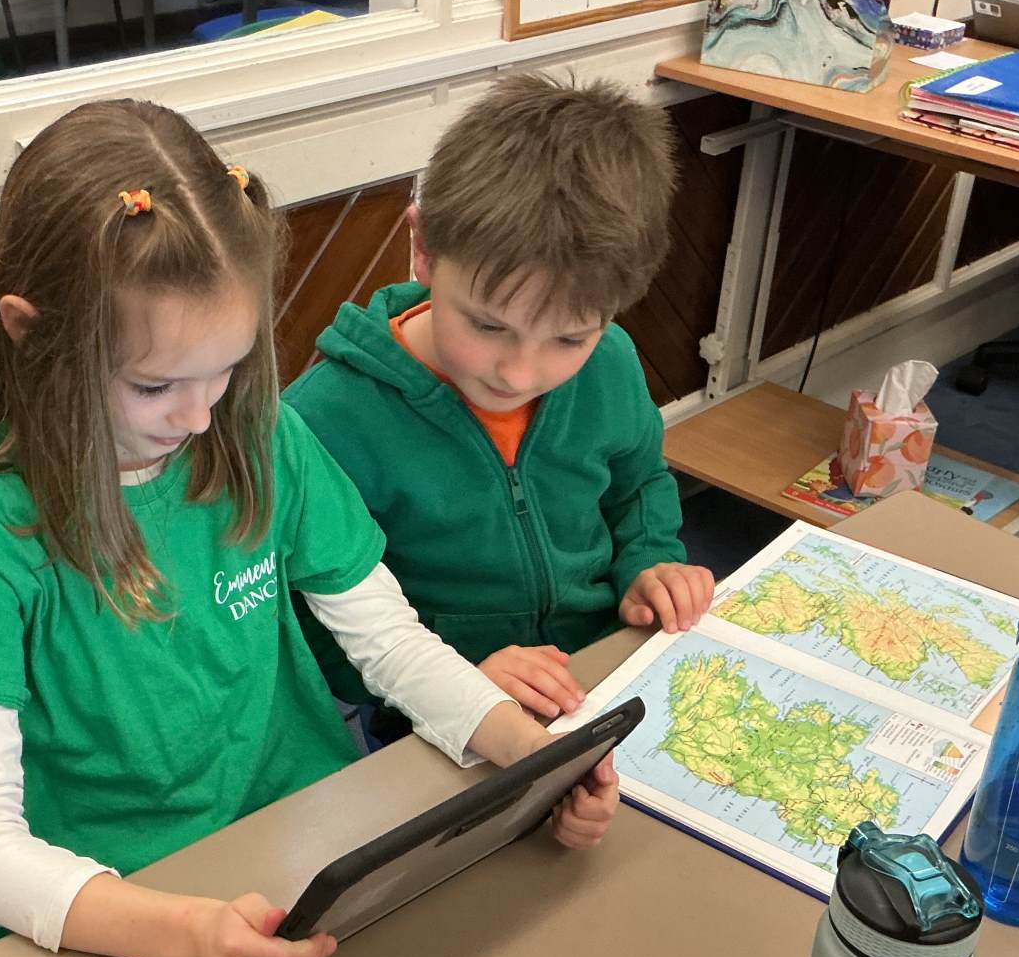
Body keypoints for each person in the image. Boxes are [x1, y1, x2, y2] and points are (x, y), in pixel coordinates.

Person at [0, 101, 616, 957]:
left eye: (227, 367)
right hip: (117, 911)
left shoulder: (258, 436)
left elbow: (389, 643)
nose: (200, 418)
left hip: (302, 858)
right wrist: (189, 936)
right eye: (154, 384)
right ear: (33, 333)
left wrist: (533, 758)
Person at [286, 74, 715, 727]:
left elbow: (637, 486)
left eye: (568, 338)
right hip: (437, 712)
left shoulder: (610, 363)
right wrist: (454, 683)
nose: (518, 373)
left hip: (602, 672)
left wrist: (649, 561)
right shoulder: (323, 420)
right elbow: (312, 617)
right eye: (488, 325)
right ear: (424, 250)